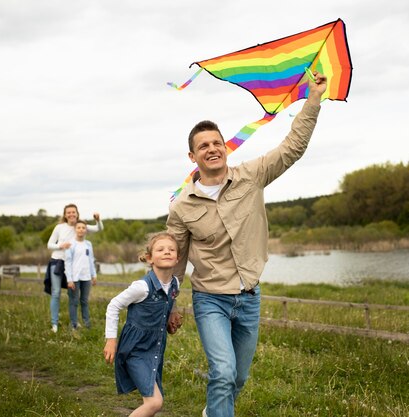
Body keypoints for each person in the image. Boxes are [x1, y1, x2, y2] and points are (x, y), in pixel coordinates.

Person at [166, 71, 327, 417]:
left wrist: (312, 100)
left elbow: (292, 148)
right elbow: (175, 261)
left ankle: (214, 411)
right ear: (192, 157)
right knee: (222, 372)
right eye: (203, 146)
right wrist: (171, 304)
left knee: (237, 378)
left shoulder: (251, 176)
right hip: (211, 299)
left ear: (225, 147)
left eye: (216, 143)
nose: (212, 149)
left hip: (250, 296)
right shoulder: (182, 207)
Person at [103, 232, 181, 417]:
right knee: (154, 402)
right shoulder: (142, 287)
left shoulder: (175, 283)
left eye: (171, 250)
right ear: (149, 258)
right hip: (136, 349)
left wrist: (171, 314)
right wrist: (111, 340)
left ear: (178, 258)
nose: (167, 252)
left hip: (156, 348)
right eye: (160, 249)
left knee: (151, 400)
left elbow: (170, 300)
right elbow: (113, 305)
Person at [45, 203, 103, 333]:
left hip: (72, 266)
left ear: (77, 213)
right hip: (57, 262)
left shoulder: (80, 226)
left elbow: (99, 229)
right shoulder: (59, 227)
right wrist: (61, 245)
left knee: (73, 296)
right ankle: (54, 324)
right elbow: (49, 244)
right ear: (65, 215)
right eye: (68, 212)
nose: (71, 214)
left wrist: (98, 220)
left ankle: (74, 322)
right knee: (56, 292)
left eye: (73, 212)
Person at [65, 219, 97, 330]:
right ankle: (74, 325)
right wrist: (69, 279)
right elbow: (68, 262)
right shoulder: (70, 244)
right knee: (74, 302)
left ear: (86, 230)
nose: (81, 230)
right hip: (74, 278)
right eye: (79, 227)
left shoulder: (88, 244)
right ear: (75, 229)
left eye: (83, 228)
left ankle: (87, 324)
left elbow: (91, 260)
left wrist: (94, 275)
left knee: (84, 301)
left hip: (86, 277)